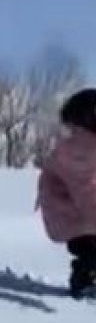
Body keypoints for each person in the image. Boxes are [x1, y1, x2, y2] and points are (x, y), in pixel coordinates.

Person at [38, 89, 96, 299]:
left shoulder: (87, 144)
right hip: (69, 210)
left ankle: (86, 278)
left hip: (79, 209)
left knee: (89, 248)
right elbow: (86, 191)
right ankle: (83, 282)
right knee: (89, 249)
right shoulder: (81, 148)